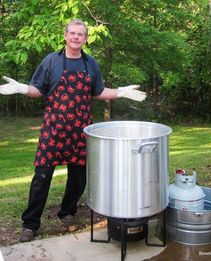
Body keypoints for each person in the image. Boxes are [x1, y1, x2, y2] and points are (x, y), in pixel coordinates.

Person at [0, 19, 146, 242]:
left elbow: (98, 91)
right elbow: (37, 90)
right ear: (65, 36)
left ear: (86, 38)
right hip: (54, 127)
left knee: (78, 177)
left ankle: (67, 213)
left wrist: (120, 92)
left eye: (81, 34)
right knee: (42, 175)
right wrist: (20, 88)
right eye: (73, 33)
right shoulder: (51, 61)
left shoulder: (91, 64)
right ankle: (30, 224)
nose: (76, 37)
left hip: (81, 128)